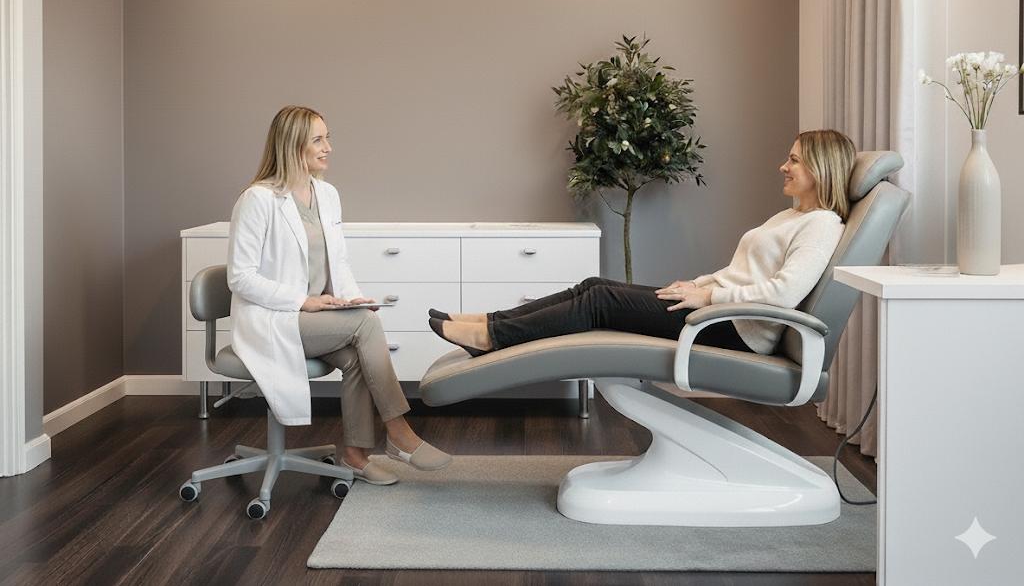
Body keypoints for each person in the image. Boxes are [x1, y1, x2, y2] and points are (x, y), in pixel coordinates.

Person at [428, 129, 855, 357]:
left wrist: (707, 295)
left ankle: (494, 338)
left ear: (820, 167)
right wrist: (699, 285)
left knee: (601, 304)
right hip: (717, 310)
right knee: (594, 286)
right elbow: (744, 270)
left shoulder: (821, 225)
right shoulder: (793, 215)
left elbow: (784, 293)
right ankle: (490, 321)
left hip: (736, 331)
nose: (783, 166)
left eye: (794, 159)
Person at [227, 105, 451, 486]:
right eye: (318, 139)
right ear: (292, 144)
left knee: (356, 353)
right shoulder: (258, 200)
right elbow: (240, 277)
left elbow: (338, 262)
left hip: (315, 317)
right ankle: (399, 432)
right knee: (366, 326)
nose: (328, 147)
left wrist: (352, 299)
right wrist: (303, 300)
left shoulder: (326, 194)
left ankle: (355, 456)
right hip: (273, 319)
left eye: (328, 137)